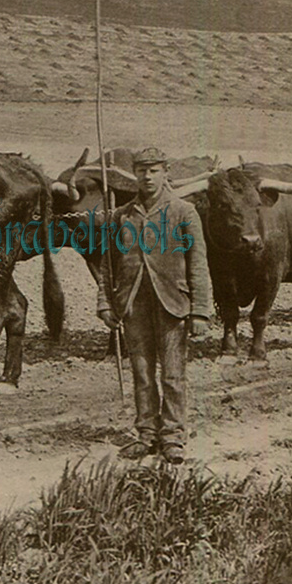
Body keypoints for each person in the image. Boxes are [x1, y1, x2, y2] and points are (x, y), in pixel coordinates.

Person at [97, 147, 212, 464]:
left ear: (166, 172)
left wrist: (200, 310)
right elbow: (108, 265)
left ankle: (173, 437)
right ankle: (147, 434)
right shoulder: (121, 215)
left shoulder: (183, 211)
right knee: (142, 373)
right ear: (135, 174)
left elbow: (198, 264)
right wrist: (106, 303)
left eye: (154, 170)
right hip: (133, 303)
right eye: (142, 170)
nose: (147, 176)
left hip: (172, 302)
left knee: (173, 375)